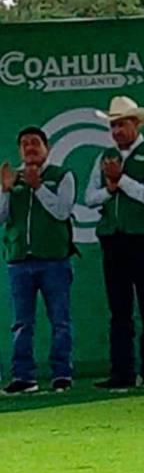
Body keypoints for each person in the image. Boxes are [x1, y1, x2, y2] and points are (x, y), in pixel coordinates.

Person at [86, 96, 144, 392]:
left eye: (121, 124)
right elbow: (90, 197)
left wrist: (120, 180)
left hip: (143, 237)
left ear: (136, 124)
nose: (117, 131)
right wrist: (110, 189)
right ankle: (121, 372)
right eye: (113, 126)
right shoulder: (105, 157)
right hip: (114, 238)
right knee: (119, 310)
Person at [0, 127, 77, 394]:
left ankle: (62, 374)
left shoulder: (61, 175)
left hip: (54, 260)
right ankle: (23, 376)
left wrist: (38, 187)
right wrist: (5, 190)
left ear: (48, 147)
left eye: (35, 142)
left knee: (60, 320)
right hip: (19, 260)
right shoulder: (12, 179)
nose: (30, 147)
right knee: (22, 323)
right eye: (24, 144)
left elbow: (62, 212)